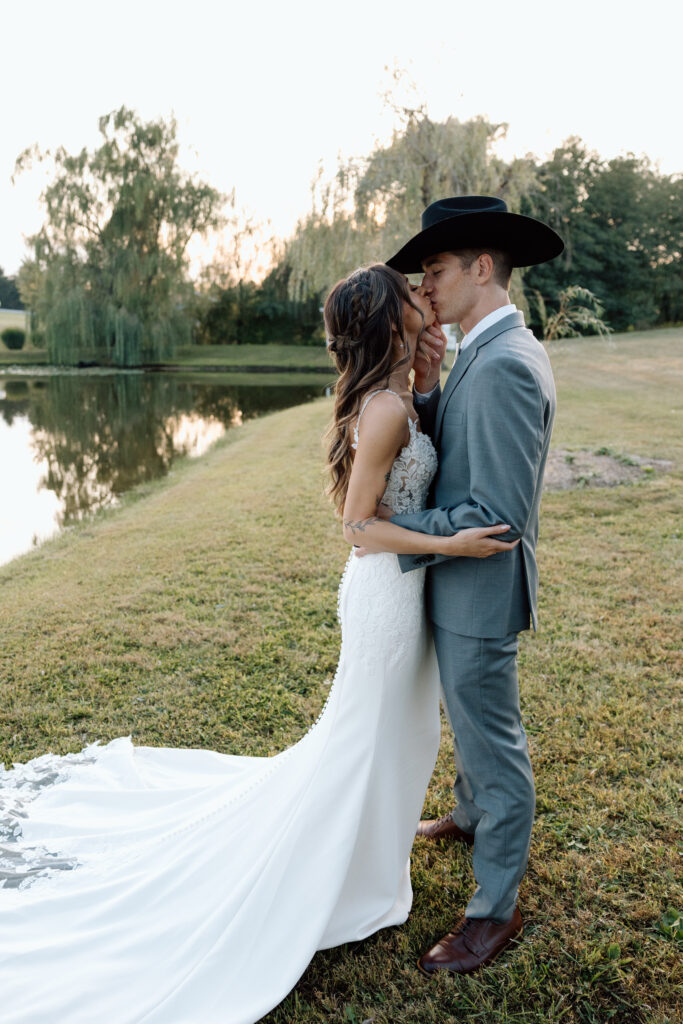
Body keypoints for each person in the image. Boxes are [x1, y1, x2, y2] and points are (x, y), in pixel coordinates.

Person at [0, 263, 509, 1024]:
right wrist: (456, 549)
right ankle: (347, 874)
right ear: (385, 321)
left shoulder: (399, 395)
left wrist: (428, 380)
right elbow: (358, 528)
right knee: (365, 736)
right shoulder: (380, 411)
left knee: (391, 734)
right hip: (386, 596)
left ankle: (371, 861)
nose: (424, 296)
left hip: (403, 589)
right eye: (412, 295)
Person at [379, 195, 564, 975]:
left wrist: (379, 527)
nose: (424, 287)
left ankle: (493, 912)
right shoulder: (480, 353)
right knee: (466, 714)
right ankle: (464, 815)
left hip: (477, 591)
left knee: (493, 744)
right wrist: (426, 389)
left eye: (435, 271)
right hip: (459, 587)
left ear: (481, 268)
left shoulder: (505, 367)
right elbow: (459, 447)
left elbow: (492, 516)